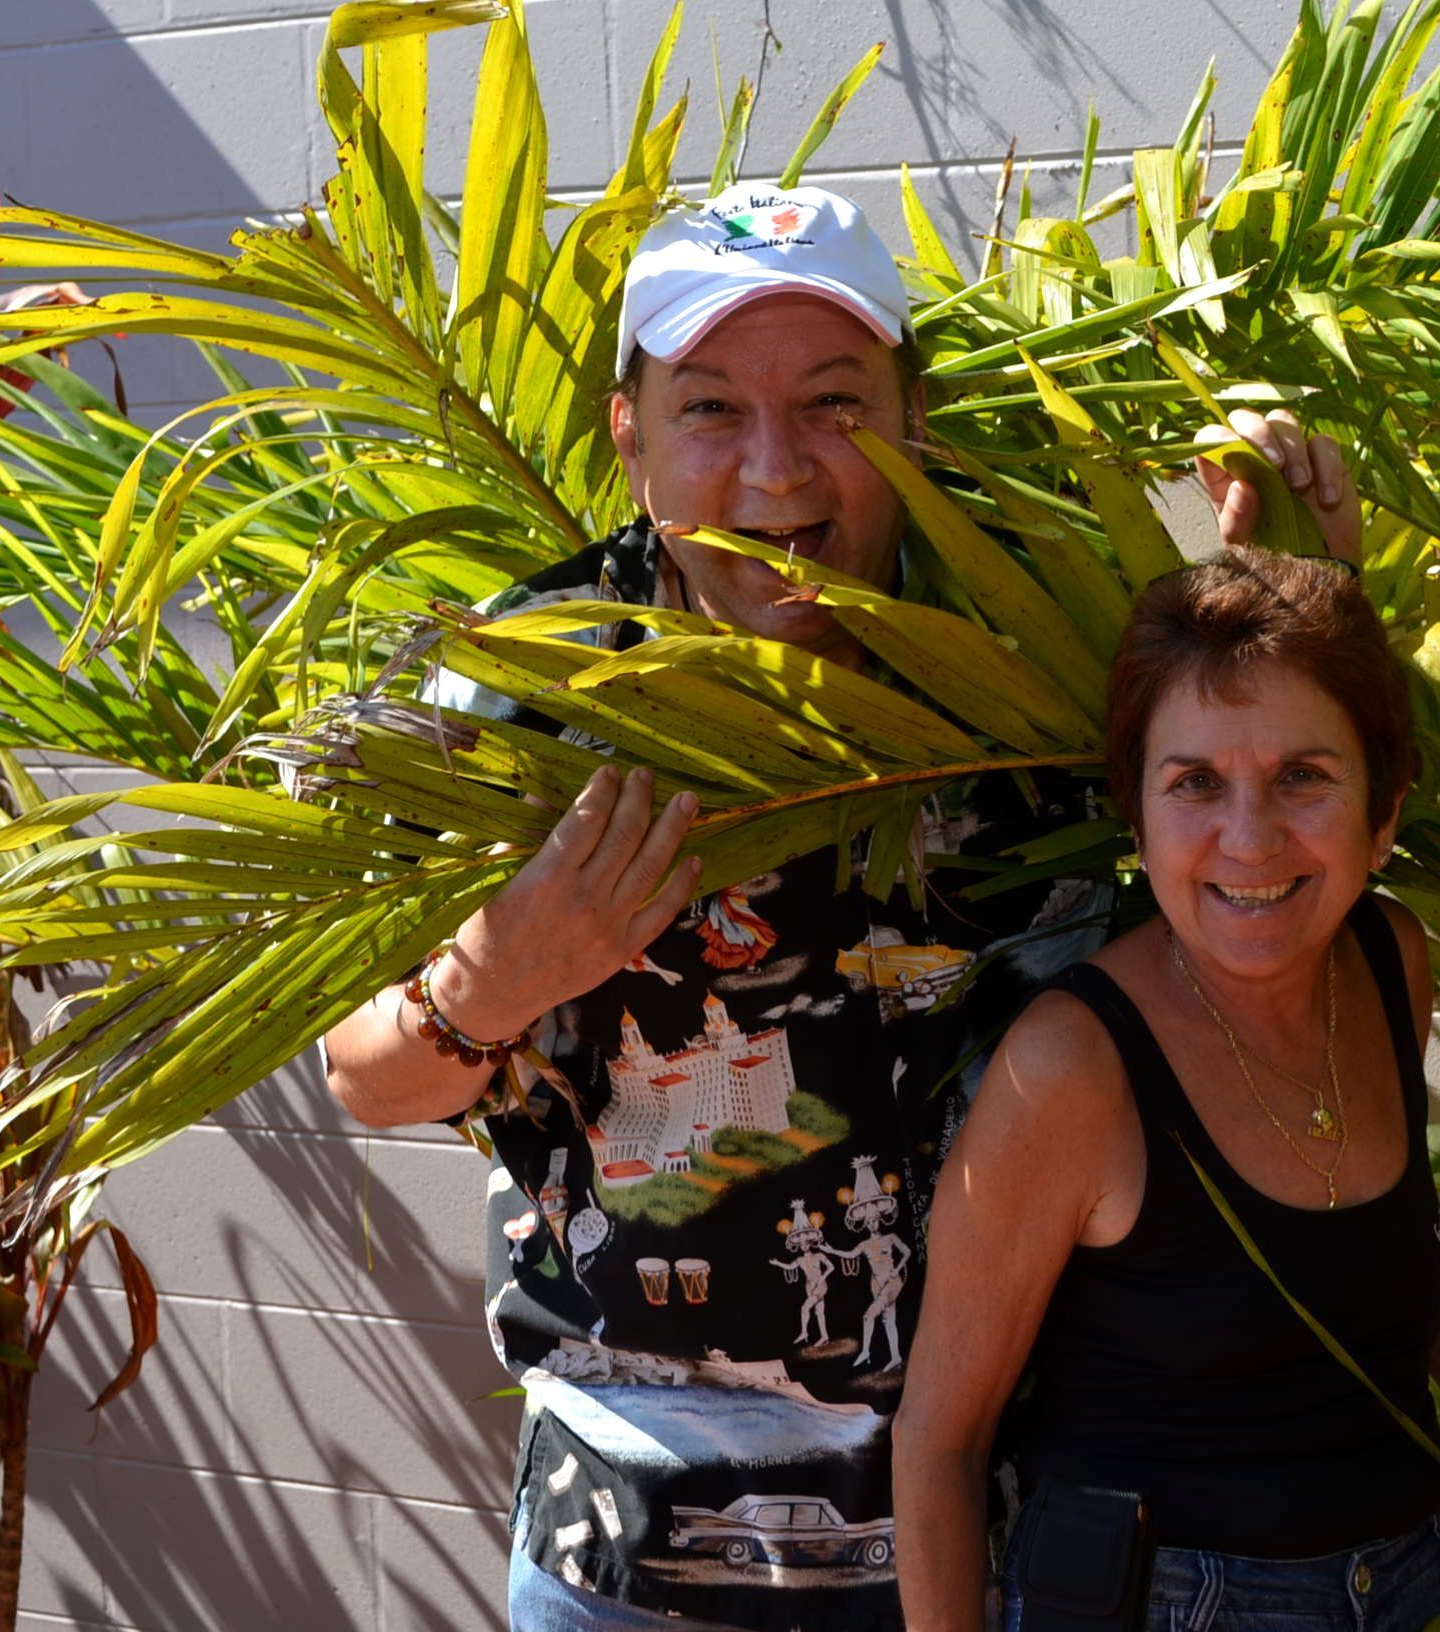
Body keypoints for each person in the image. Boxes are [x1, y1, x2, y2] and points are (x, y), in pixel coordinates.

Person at [321, 181, 1362, 1632]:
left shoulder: (1052, 645)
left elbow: (1257, 828)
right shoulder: (517, 695)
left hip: (1030, 1537)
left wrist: (1296, 581)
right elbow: (358, 1076)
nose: (775, 469)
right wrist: (503, 975)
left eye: (833, 405)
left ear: (912, 419)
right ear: (628, 436)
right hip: (637, 1565)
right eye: (708, 410)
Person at [892, 549, 1440, 1632]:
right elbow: (940, 1443)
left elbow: (1394, 1246)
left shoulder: (1389, 962)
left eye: (1303, 777)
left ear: (1385, 810)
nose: (1249, 838)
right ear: (1137, 819)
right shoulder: (1073, 1069)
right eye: (1194, 784)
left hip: (1421, 1583)